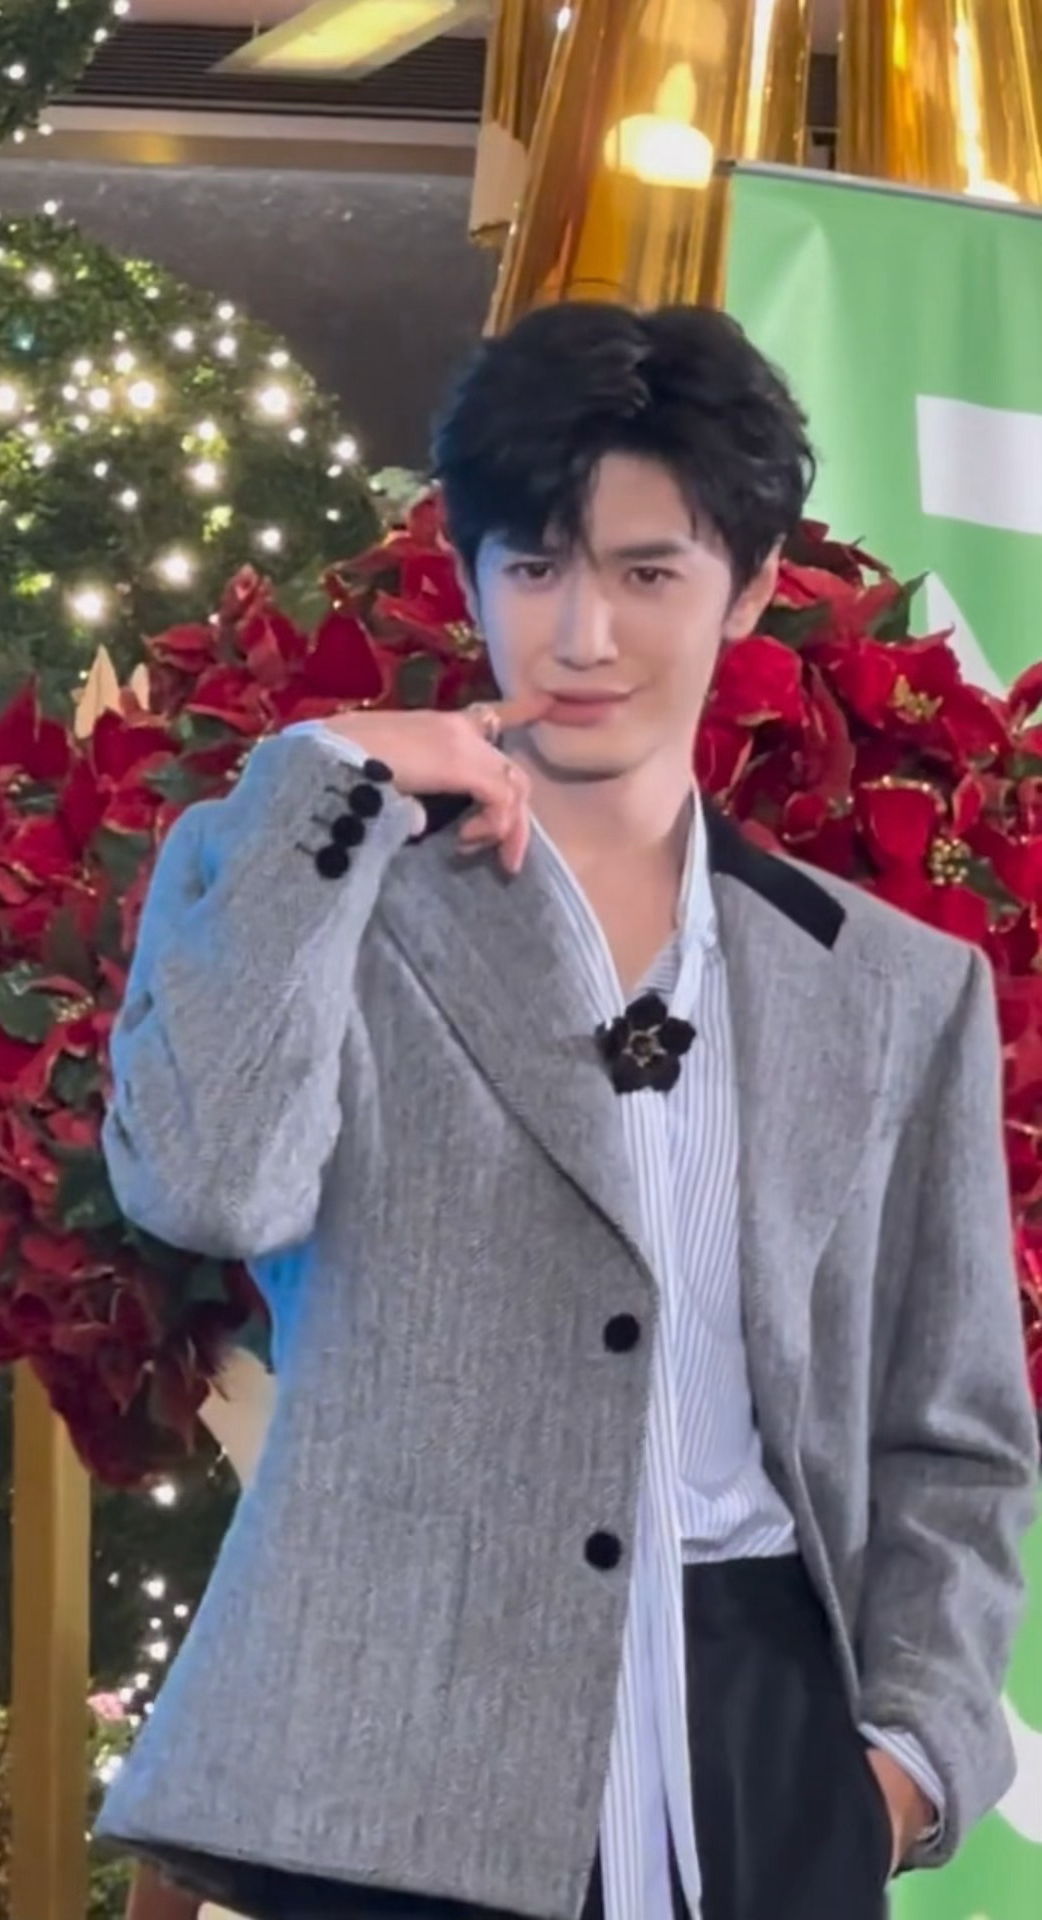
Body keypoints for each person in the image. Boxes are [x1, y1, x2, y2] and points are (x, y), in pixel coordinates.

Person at [96, 303, 1038, 1920]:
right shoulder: (313, 888)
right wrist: (324, 777)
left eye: (648, 573)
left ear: (750, 588)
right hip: (393, 1760)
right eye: (533, 566)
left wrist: (904, 1768)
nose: (583, 633)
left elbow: (952, 1433)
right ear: (471, 577)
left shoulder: (896, 983)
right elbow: (207, 1188)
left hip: (768, 1757)